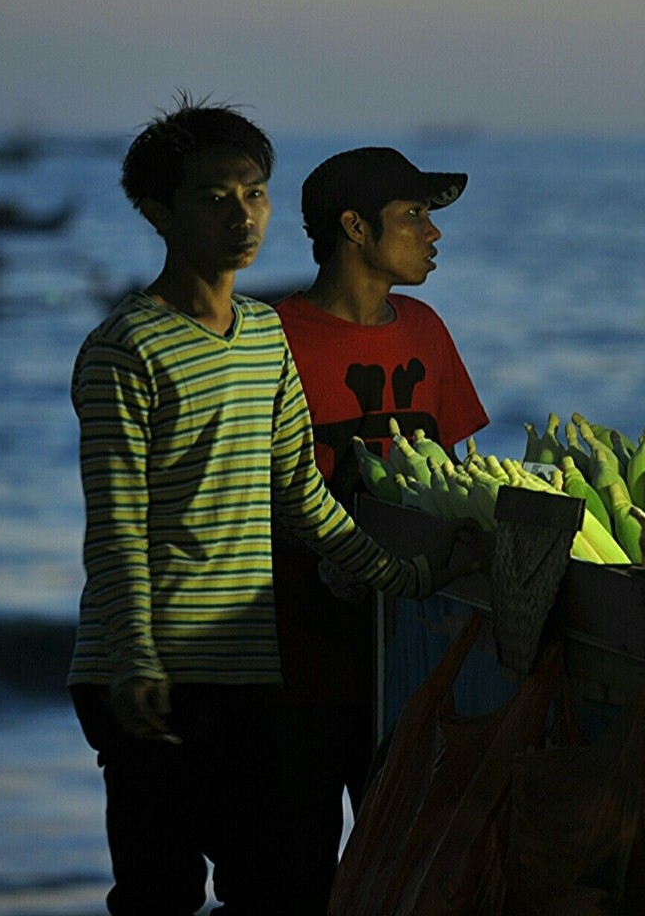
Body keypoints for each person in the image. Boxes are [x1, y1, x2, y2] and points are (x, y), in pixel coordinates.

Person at [65, 99, 468, 916]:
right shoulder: (124, 348)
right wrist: (136, 659)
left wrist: (408, 577)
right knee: (159, 894)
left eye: (254, 194)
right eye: (214, 198)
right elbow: (115, 526)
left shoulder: (261, 334)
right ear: (159, 213)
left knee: (273, 892)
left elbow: (302, 496)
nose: (241, 215)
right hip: (153, 669)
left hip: (253, 670)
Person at [270, 146, 491, 914]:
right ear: (355, 227)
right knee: (292, 873)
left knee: (405, 867)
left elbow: (451, 481)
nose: (434, 233)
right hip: (299, 655)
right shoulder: (274, 341)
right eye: (415, 215)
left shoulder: (425, 330)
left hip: (407, 651)